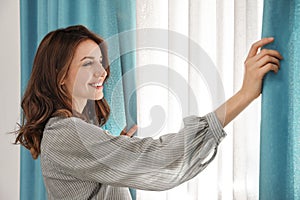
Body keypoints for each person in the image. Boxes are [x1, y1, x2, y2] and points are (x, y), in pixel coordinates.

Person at [15, 25, 282, 200]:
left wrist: (115, 153)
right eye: (88, 63)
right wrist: (245, 94)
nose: (102, 72)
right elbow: (158, 156)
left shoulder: (72, 130)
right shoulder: (67, 131)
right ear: (60, 75)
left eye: (100, 61)